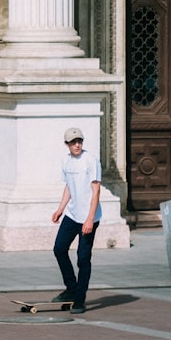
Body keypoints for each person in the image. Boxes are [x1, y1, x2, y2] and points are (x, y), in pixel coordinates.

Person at [50, 127, 102, 314]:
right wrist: (60, 209)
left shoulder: (90, 160)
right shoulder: (66, 161)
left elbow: (96, 191)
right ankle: (71, 288)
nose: (77, 145)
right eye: (73, 142)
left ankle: (80, 299)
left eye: (79, 141)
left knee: (83, 258)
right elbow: (69, 187)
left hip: (89, 217)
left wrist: (89, 220)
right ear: (67, 144)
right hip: (72, 215)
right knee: (59, 249)